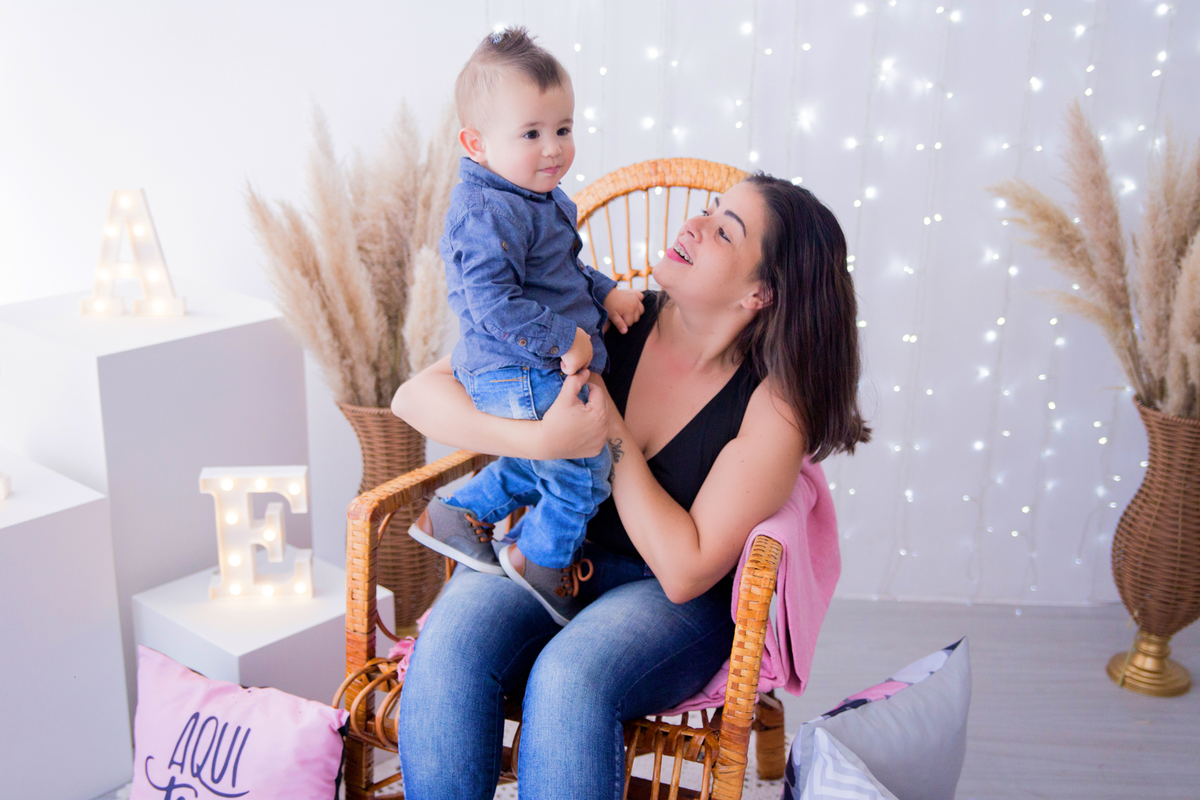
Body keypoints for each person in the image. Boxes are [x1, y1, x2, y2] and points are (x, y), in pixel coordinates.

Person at [391, 171, 869, 799]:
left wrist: (604, 422)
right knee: (450, 643)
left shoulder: (774, 406)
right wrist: (542, 443)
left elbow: (684, 568)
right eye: (708, 210)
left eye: (725, 231)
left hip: (668, 602)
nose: (694, 226)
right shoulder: (605, 316)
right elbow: (414, 396)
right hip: (551, 558)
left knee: (570, 677)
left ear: (761, 293)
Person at [407, 27, 647, 624]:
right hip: (515, 369)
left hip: (534, 365)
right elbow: (492, 303)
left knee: (554, 462)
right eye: (532, 134)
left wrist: (605, 290)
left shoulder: (538, 198)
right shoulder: (487, 211)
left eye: (563, 129)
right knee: (588, 465)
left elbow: (559, 275)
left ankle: (458, 512)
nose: (553, 149)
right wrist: (567, 338)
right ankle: (540, 556)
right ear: (476, 143)